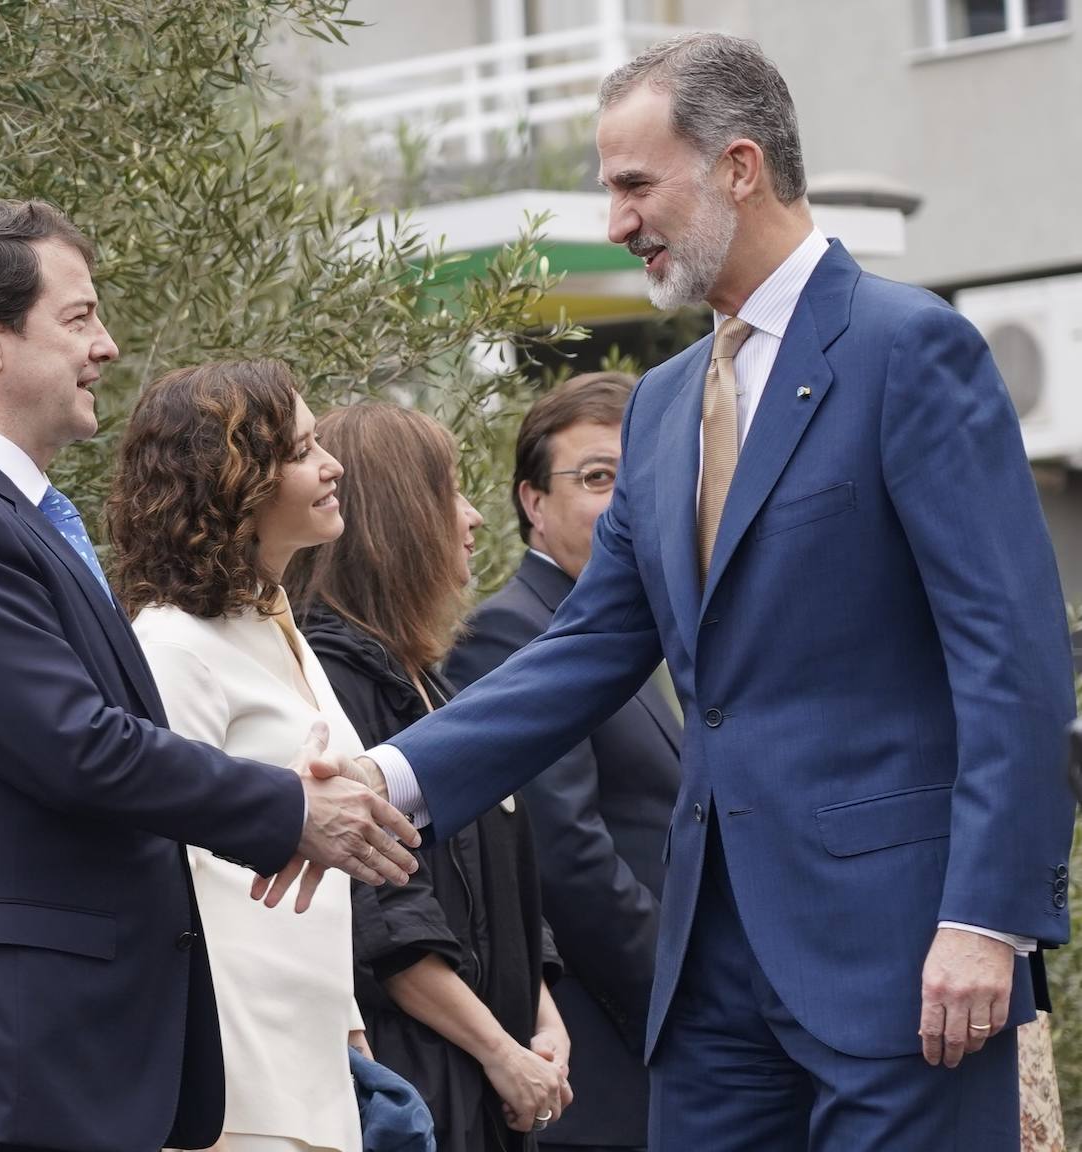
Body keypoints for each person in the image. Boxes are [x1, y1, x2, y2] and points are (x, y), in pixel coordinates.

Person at [270, 33, 1077, 1152]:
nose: (616, 221)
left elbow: (1015, 662)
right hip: (713, 980)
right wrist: (385, 778)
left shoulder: (912, 351)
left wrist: (987, 918)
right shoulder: (657, 409)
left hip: (902, 959)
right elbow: (581, 652)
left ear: (739, 166)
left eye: (635, 184)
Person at [0, 199, 418, 1152]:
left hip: (98, 1032)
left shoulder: (8, 514)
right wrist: (288, 811)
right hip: (37, 1033)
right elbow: (76, 746)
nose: (106, 346)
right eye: (78, 318)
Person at [287, 402, 572, 1152]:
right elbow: (385, 914)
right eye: (450, 493)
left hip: (491, 1075)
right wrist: (500, 1051)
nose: (474, 518)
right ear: (396, 518)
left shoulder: (432, 687)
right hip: (423, 1077)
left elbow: (509, 889)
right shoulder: (332, 686)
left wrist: (542, 1020)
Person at [105, 360, 366, 1152]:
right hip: (238, 1067)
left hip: (313, 1040)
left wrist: (348, 1024)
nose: (332, 465)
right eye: (300, 451)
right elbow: (165, 863)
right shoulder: (172, 644)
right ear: (232, 485)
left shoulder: (277, 618)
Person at [445, 372, 681, 1152]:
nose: (625, 499)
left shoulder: (633, 633)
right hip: (604, 1060)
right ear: (533, 503)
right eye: (598, 478)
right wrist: (691, 999)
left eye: (639, 476)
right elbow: (567, 854)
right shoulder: (514, 635)